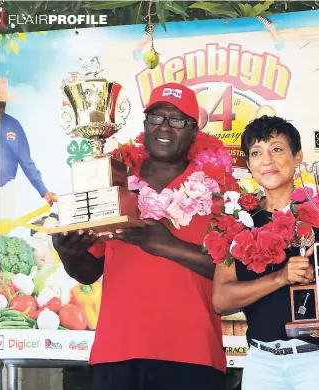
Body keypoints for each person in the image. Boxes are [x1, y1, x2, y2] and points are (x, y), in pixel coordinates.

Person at [52, 83, 226, 390]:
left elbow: (234, 275)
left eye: (177, 120)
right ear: (145, 125)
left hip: (193, 353)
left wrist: (166, 245)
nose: (165, 127)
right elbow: (90, 272)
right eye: (156, 118)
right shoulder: (114, 184)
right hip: (118, 351)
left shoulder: (219, 191)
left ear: (194, 130)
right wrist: (69, 254)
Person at [212, 115, 319, 390]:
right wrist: (280, 277)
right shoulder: (237, 221)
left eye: (276, 149)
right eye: (256, 153)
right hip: (261, 363)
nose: (267, 160)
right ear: (249, 163)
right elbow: (221, 299)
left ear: (298, 156)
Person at [0, 78, 56, 207]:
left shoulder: (13, 125)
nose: (0, 108)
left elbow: (26, 161)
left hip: (5, 190)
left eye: (2, 104)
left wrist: (44, 191)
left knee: (4, 226)